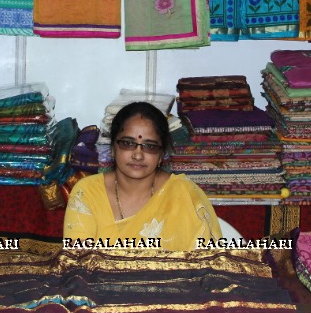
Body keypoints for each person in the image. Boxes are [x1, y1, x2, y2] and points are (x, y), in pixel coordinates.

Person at [63, 101, 221, 250]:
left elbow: (205, 267)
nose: (138, 155)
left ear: (161, 154)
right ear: (112, 148)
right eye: (128, 143)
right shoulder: (87, 192)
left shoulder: (184, 194)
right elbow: (78, 264)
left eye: (149, 146)